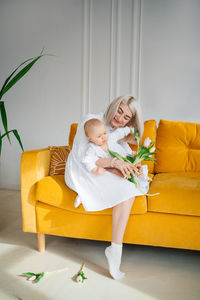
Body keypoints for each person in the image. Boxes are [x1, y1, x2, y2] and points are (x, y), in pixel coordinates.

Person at [65, 95, 149, 280]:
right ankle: (83, 192)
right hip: (81, 170)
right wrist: (114, 163)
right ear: (113, 105)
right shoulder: (92, 120)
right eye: (119, 111)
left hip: (102, 167)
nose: (120, 118)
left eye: (126, 117)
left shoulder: (117, 133)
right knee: (127, 189)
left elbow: (122, 155)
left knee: (130, 187)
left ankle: (115, 250)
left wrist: (129, 165)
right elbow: (82, 157)